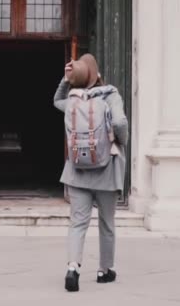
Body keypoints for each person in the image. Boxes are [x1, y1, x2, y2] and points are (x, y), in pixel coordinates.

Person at [53, 53, 129, 292]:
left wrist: (66, 81)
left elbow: (56, 101)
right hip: (107, 171)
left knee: (77, 223)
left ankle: (73, 268)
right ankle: (104, 270)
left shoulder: (72, 101)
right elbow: (119, 123)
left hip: (78, 172)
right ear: (97, 75)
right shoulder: (111, 95)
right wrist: (121, 142)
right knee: (107, 223)